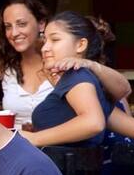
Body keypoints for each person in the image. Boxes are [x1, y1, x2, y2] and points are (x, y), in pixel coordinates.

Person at [0, 0, 132, 130]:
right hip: (16, 148)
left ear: (41, 24)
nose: (14, 33)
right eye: (7, 26)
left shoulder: (64, 57)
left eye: (22, 24)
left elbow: (118, 96)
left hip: (59, 151)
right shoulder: (1, 62)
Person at [21, 12, 114, 148]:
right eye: (45, 40)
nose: (44, 48)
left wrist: (35, 138)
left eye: (55, 40)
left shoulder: (76, 75)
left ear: (80, 45)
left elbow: (93, 122)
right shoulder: (82, 77)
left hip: (68, 166)